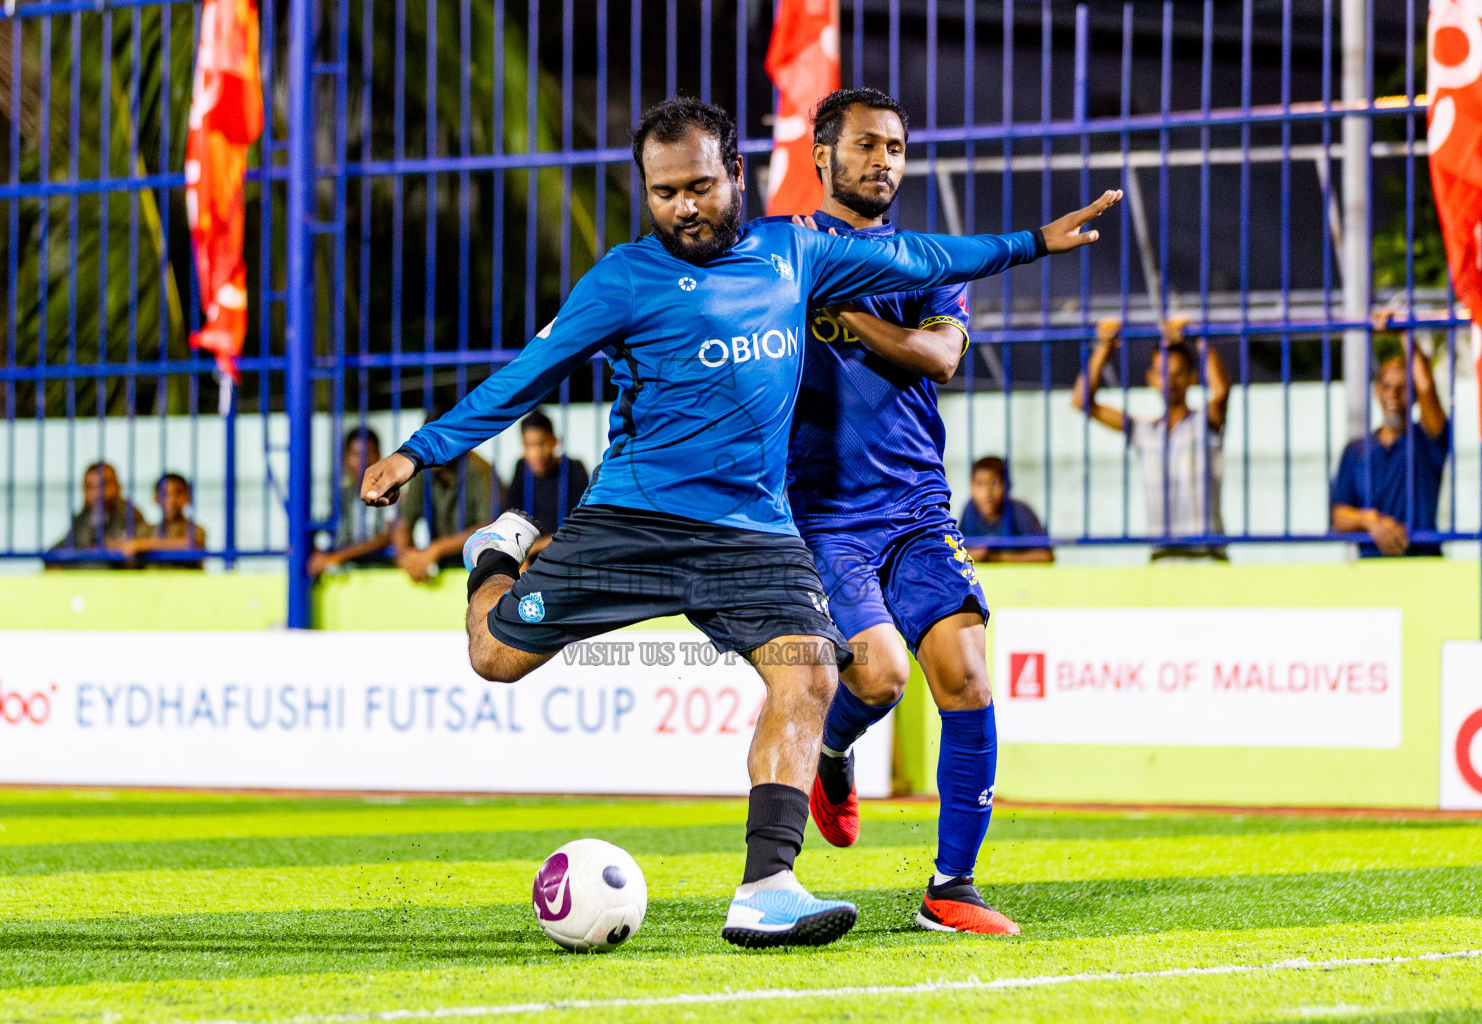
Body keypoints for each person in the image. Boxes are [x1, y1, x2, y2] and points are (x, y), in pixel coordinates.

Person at [357, 97, 1118, 948]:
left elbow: (920, 253)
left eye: (700, 186)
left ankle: (768, 886)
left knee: (811, 674)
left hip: (752, 531)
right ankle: (497, 550)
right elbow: (524, 377)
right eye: (665, 192)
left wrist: (1031, 244)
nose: (684, 207)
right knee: (494, 656)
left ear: (737, 176)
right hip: (635, 518)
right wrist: (419, 452)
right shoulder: (622, 279)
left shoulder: (794, 254)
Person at [787, 87, 1027, 939]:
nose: (883, 159)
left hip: (919, 503)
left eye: (894, 146)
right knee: (881, 674)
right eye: (865, 145)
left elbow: (940, 355)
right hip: (822, 511)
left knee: (967, 674)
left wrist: (847, 319)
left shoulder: (932, 260)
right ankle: (831, 749)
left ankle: (950, 888)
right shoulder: (785, 255)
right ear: (823, 157)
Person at [1072, 317, 1231, 559]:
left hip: (1207, 555)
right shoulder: (1142, 430)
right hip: (1163, 556)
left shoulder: (1204, 424)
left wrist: (1199, 337)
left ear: (1192, 378)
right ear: (1151, 379)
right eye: (1162, 373)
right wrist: (1104, 347)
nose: (1170, 381)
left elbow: (1221, 391)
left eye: (1178, 374)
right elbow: (1082, 401)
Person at [1330, 314, 1449, 557]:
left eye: (1403, 388)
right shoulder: (1356, 450)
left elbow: (1427, 389)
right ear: (1377, 392)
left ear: (1413, 394)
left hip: (1423, 565)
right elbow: (1337, 517)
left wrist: (1404, 332)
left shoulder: (1427, 441)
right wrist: (1369, 521)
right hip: (1373, 573)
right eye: (1387, 386)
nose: (1393, 394)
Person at [391, 414, 501, 582]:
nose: (431, 451)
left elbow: (490, 527)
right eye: (427, 443)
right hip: (440, 570)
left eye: (438, 443)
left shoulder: (479, 469)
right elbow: (404, 523)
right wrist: (406, 555)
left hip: (479, 568)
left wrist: (437, 549)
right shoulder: (422, 470)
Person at [504, 410, 590, 565]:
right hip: (530, 561)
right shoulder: (521, 469)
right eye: (528, 445)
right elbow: (510, 522)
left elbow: (579, 529)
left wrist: (531, 549)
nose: (535, 453)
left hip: (567, 559)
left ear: (554, 441)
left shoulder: (573, 469)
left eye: (541, 443)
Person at [310, 426, 395, 577]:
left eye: (367, 453)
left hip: (382, 573)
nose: (362, 461)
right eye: (355, 454)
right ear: (345, 458)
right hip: (344, 575)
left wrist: (340, 556)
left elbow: (389, 536)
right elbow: (315, 529)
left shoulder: (391, 493)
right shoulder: (339, 497)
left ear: (379, 456)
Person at [44, 462, 151, 568]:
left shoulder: (129, 515)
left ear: (117, 486)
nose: (96, 493)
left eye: (102, 485)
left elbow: (136, 553)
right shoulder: (83, 518)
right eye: (90, 487)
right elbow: (56, 552)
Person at [958, 456, 1053, 563]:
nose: (987, 492)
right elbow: (955, 553)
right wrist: (975, 554)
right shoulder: (969, 510)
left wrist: (998, 558)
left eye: (994, 483)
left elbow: (1046, 556)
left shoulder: (1019, 511)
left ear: (1007, 485)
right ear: (971, 487)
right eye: (979, 484)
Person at [117, 473, 207, 569]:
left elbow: (190, 543)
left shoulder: (195, 529)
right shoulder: (145, 531)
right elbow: (128, 554)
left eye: (178, 493)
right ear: (156, 498)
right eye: (165, 494)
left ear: (188, 497)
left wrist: (142, 545)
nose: (171, 500)